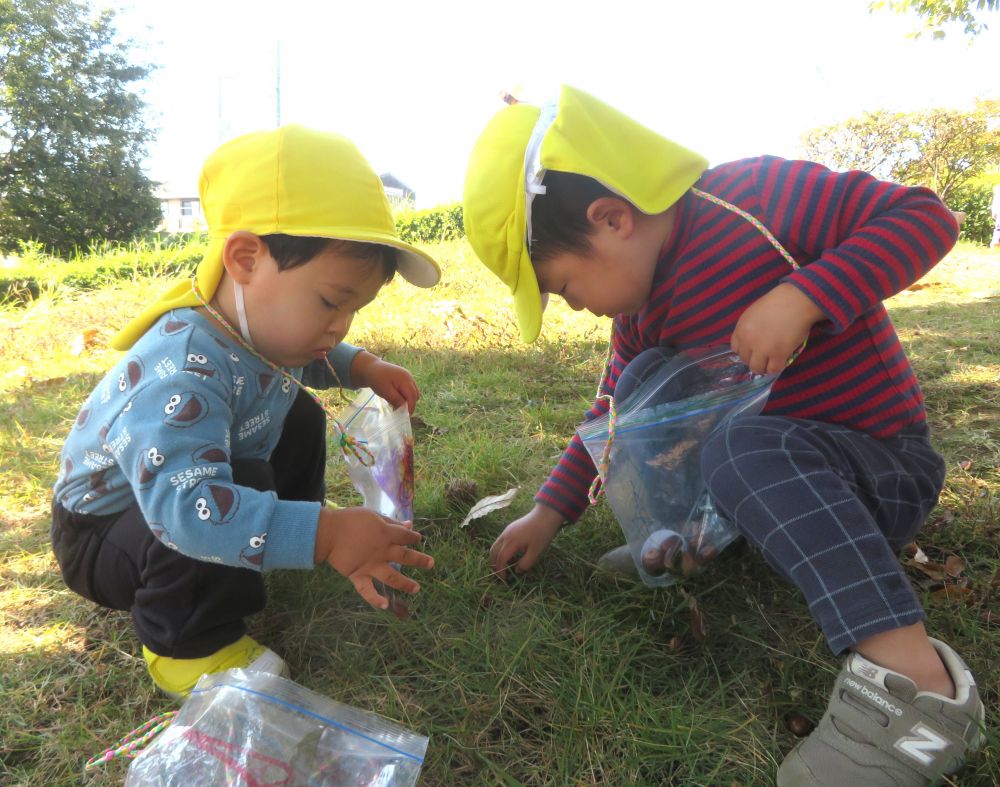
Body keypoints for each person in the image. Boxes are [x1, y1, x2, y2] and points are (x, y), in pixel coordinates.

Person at [462, 85, 984, 786]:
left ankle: (916, 685)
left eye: (563, 285)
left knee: (743, 446)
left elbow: (924, 217)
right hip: (773, 484)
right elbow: (612, 419)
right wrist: (548, 513)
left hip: (879, 468)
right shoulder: (641, 315)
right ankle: (704, 540)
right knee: (652, 384)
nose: (574, 308)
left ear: (611, 218)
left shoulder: (756, 196)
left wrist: (805, 295)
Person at [51, 125, 439, 698]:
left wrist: (360, 367)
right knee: (231, 491)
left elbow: (294, 357)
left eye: (354, 310)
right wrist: (328, 535)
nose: (340, 326)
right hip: (114, 530)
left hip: (175, 490)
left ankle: (276, 538)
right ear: (245, 258)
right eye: (331, 302)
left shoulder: (251, 329)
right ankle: (188, 644)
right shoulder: (183, 372)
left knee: (300, 415)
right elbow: (186, 508)